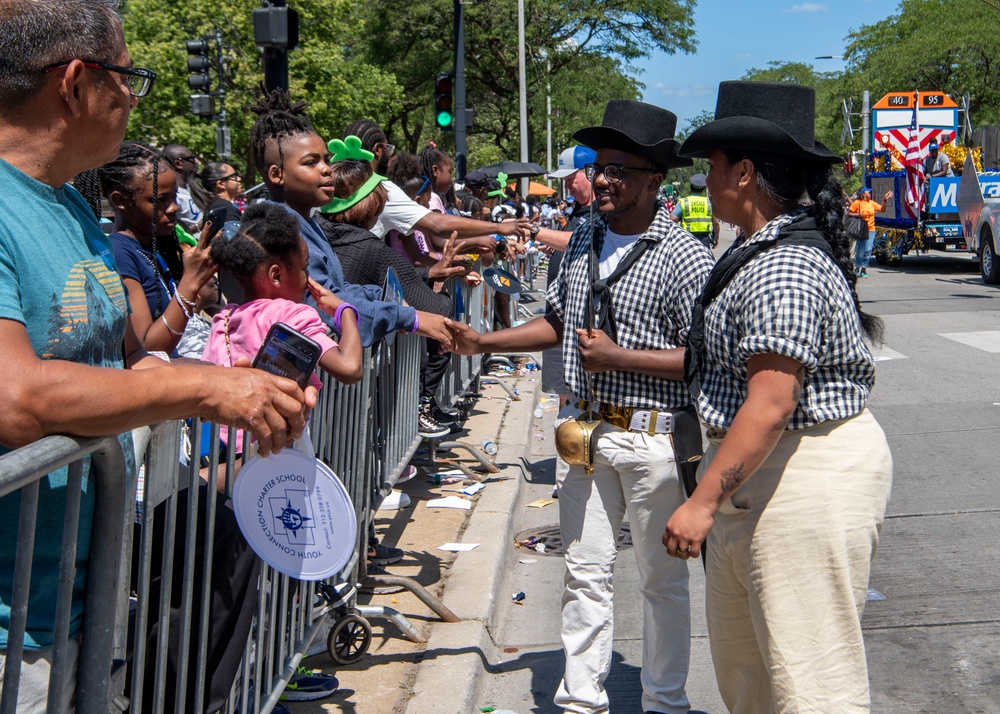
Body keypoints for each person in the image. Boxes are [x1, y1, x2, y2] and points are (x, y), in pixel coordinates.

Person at [0, 2, 313, 710]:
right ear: (77, 83)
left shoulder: (71, 209)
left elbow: (123, 358)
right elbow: (15, 399)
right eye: (126, 79)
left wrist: (236, 384)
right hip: (14, 633)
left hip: (83, 594)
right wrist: (205, 393)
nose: (132, 99)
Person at [447, 100, 714, 714]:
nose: (605, 179)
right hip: (589, 437)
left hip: (655, 444)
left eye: (622, 169)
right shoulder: (584, 241)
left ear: (655, 179)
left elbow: (701, 359)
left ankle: (664, 702)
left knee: (660, 583)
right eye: (600, 167)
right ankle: (580, 699)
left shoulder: (684, 256)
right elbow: (560, 322)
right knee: (583, 574)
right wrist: (484, 342)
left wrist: (621, 357)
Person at [668, 80, 893, 714]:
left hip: (804, 475)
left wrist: (703, 503)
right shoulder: (753, 247)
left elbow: (771, 402)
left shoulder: (781, 265)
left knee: (810, 681)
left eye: (711, 168)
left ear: (744, 172)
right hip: (766, 475)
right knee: (751, 679)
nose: (704, 182)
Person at [245, 88, 455, 351]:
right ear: (277, 174)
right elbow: (323, 303)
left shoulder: (305, 223)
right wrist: (409, 317)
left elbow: (338, 289)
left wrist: (386, 302)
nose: (325, 169)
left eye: (325, 160)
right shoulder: (279, 231)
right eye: (311, 162)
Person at [315, 138, 469, 437]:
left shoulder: (316, 234)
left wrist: (427, 273)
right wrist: (434, 286)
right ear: (372, 202)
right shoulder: (368, 247)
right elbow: (435, 308)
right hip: (350, 372)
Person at [94, 142, 218, 354]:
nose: (174, 207)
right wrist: (191, 282)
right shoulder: (120, 253)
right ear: (120, 200)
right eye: (160, 200)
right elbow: (147, 348)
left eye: (174, 197)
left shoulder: (153, 246)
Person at [342, 119, 528, 251]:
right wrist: (499, 229)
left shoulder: (334, 184)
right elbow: (436, 224)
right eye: (388, 148)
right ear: (377, 150)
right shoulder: (382, 191)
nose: (390, 155)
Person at [848, 186, 892, 277]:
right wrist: (858, 214)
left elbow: (882, 210)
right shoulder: (857, 203)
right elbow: (849, 213)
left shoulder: (871, 203)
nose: (870, 193)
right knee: (861, 250)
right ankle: (857, 268)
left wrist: (884, 200)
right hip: (861, 229)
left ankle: (864, 269)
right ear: (863, 193)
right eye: (868, 192)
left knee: (868, 250)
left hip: (871, 229)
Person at [672, 173, 720, 249]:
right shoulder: (709, 203)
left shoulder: (684, 202)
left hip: (687, 238)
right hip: (704, 239)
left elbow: (672, 219)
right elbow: (716, 223)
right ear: (703, 190)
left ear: (691, 187)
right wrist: (716, 239)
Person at [189, 160, 244, 224]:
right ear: (220, 184)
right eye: (234, 176)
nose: (239, 179)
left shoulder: (215, 205)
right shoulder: (226, 210)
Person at [163, 143, 202, 232]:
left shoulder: (191, 188)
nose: (195, 162)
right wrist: (198, 226)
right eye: (191, 158)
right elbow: (172, 231)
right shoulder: (173, 196)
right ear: (178, 164)